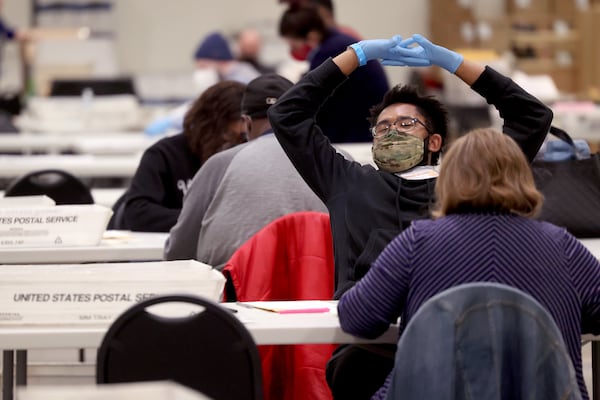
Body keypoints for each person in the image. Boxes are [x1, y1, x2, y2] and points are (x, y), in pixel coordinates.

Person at [267, 33, 553, 398]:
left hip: (458, 344)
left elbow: (532, 115)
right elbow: (287, 114)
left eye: (405, 125)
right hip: (369, 348)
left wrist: (452, 63)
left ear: (434, 142)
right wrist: (356, 56)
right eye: (383, 128)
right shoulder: (348, 182)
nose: (391, 133)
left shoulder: (471, 183)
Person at [337, 128, 600, 400]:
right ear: (525, 179)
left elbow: (358, 317)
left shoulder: (418, 242)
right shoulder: (562, 246)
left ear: (448, 180)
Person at [164, 73, 327, 267]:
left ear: (247, 123)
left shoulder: (219, 165)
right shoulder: (337, 160)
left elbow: (179, 251)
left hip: (235, 292)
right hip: (324, 290)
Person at [115, 80, 247, 232]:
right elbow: (138, 213)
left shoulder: (244, 159)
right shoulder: (164, 155)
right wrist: (204, 221)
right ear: (209, 125)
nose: (235, 144)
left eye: (243, 138)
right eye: (228, 135)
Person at [278, 5, 389, 143]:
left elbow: (309, 96)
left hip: (359, 132)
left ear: (311, 36)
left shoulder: (330, 51)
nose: (293, 50)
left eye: (294, 45)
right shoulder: (341, 41)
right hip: (365, 123)